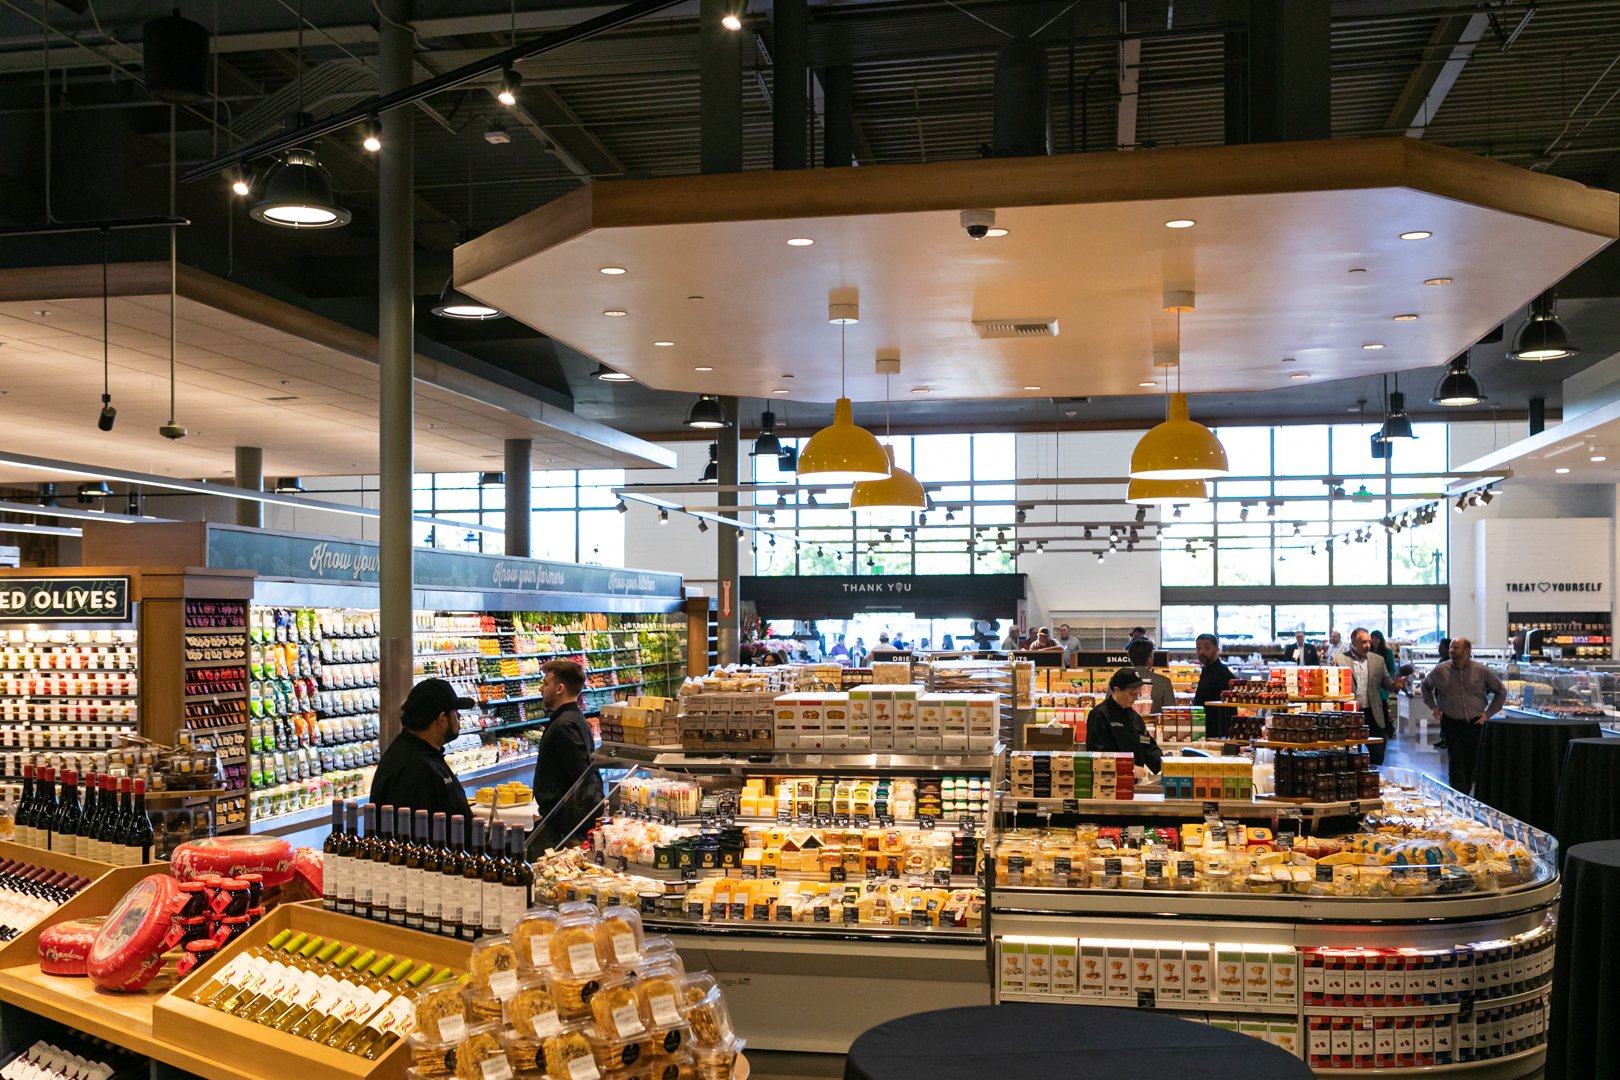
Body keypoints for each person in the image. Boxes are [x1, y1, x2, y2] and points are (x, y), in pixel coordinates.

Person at [370, 677, 475, 821]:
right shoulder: (412, 767)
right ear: (442, 718)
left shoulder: (423, 753)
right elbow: (417, 833)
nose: (459, 716)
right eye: (455, 712)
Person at [531, 660, 604, 852]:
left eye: (546, 683)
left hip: (562, 828)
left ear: (559, 689)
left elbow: (582, 776)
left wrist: (583, 829)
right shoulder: (575, 719)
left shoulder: (564, 726)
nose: (541, 688)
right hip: (562, 822)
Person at [1420, 637, 1505, 795]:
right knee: (1456, 759)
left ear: (1467, 650)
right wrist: (1433, 707)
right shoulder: (1440, 670)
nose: (1451, 650)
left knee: (1471, 760)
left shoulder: (1481, 671)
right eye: (1451, 647)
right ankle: (1459, 796)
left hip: (1475, 723)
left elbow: (1501, 691)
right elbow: (1425, 686)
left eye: (1456, 647)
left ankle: (1465, 792)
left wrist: (1488, 713)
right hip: (1451, 722)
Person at [1331, 628, 1402, 766]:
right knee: (1348, 752)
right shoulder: (1339, 659)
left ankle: (1374, 780)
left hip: (1372, 713)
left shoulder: (1378, 660)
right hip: (1349, 713)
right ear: (1353, 642)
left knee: (1378, 751)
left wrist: (1395, 685)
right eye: (1363, 642)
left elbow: (1387, 684)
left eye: (1369, 642)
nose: (1368, 645)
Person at [1084, 668, 1163, 773]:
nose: (1136, 698)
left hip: (1132, 783)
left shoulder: (1135, 717)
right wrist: (1128, 768)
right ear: (1117, 690)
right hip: (1110, 783)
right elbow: (1097, 754)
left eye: (1137, 694)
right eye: (1132, 694)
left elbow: (1147, 745)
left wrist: (1165, 763)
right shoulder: (1099, 715)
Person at [1126, 638, 1174, 714]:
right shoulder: (1164, 682)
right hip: (1155, 725)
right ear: (1149, 658)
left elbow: (1108, 709)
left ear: (1130, 659)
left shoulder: (1118, 681)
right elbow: (1170, 712)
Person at [1369, 630, 1399, 739]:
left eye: (1377, 638)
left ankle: (1387, 730)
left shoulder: (1387, 652)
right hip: (1371, 685)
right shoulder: (1369, 651)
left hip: (1383, 686)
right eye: (1372, 638)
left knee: (1383, 709)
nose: (1374, 640)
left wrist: (1388, 680)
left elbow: (1392, 669)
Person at [1191, 633, 1233, 707]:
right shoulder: (1206, 670)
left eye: (1207, 648)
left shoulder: (1223, 675)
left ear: (1216, 648)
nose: (1202, 652)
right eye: (1199, 648)